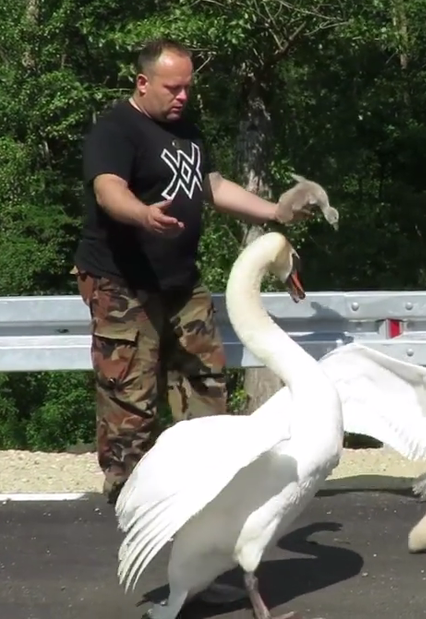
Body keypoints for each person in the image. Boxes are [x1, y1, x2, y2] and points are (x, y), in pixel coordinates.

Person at [72, 37, 307, 505]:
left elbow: (213, 187)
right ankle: (129, 493)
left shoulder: (188, 130)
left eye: (187, 88)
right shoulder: (117, 129)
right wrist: (142, 214)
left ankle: (205, 482)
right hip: (123, 283)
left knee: (205, 381)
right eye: (172, 88)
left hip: (181, 282)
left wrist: (274, 213)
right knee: (130, 397)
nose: (182, 96)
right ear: (143, 83)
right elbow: (107, 189)